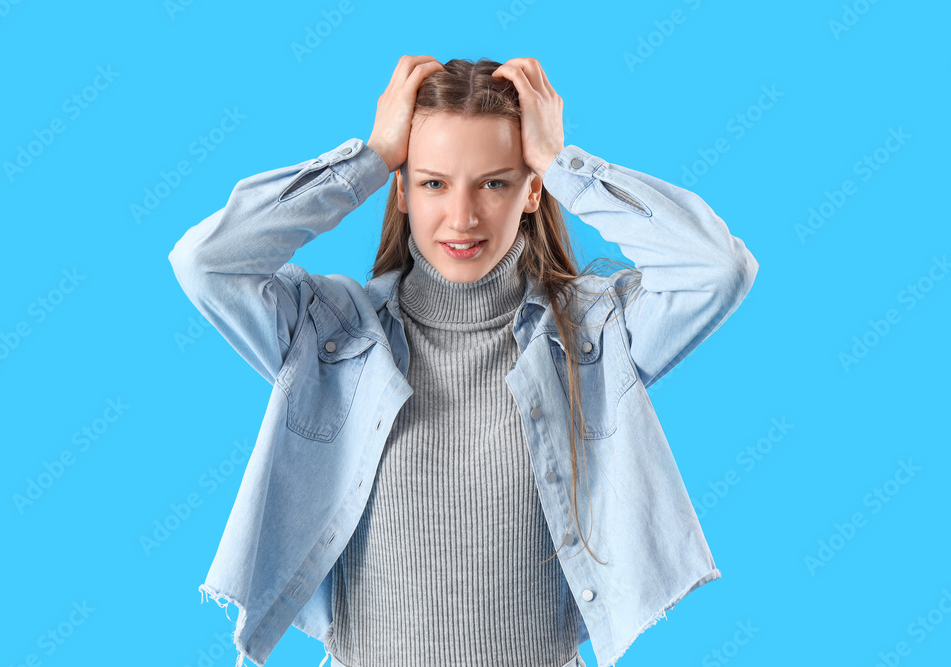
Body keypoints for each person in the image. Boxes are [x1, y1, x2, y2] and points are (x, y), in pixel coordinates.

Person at [169, 55, 759, 667]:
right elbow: (208, 263)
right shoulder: (333, 333)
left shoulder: (592, 336)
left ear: (533, 191)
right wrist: (369, 159)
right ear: (401, 190)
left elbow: (717, 270)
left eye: (494, 182)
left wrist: (564, 165)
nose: (462, 216)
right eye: (433, 183)